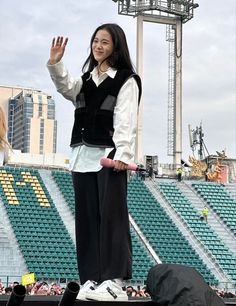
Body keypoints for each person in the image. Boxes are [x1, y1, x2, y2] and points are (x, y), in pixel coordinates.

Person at [47, 23, 141, 301]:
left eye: (105, 43)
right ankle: (92, 279)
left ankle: (115, 282)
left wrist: (124, 154)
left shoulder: (127, 79)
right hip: (81, 156)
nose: (98, 47)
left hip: (109, 157)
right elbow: (67, 87)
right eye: (95, 41)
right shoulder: (86, 78)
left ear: (116, 47)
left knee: (111, 220)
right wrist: (55, 63)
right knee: (87, 222)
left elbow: (125, 120)